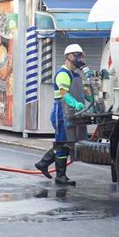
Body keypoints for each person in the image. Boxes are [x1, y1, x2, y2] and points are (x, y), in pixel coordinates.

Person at [34, 44, 93, 186]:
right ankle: (58, 174)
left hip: (74, 113)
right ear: (70, 57)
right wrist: (74, 103)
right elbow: (63, 93)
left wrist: (92, 101)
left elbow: (84, 91)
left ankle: (44, 164)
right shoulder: (63, 74)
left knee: (66, 143)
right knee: (63, 143)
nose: (82, 59)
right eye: (80, 55)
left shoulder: (76, 74)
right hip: (62, 112)